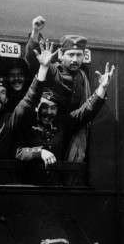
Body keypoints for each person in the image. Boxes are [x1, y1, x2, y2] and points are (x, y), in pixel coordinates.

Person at [16, 40, 116, 184]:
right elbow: (19, 152)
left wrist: (102, 88)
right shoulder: (27, 121)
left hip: (56, 189)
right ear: (37, 106)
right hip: (30, 188)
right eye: (44, 107)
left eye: (53, 108)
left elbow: (85, 111)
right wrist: (39, 152)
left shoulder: (62, 123)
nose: (48, 112)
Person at [25, 16, 93, 163]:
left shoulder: (83, 75)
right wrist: (35, 31)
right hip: (49, 127)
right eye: (71, 54)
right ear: (61, 55)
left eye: (79, 55)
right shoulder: (53, 70)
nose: (75, 59)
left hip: (73, 130)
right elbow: (32, 59)